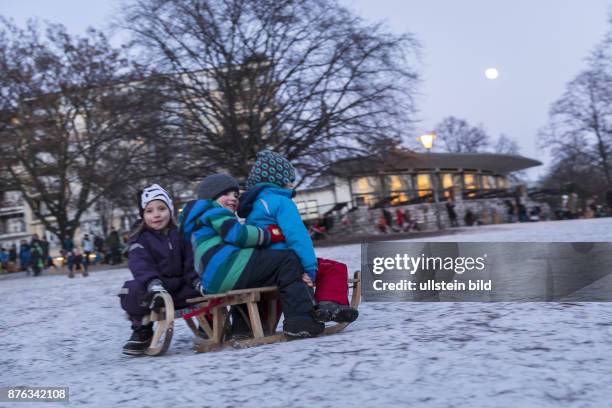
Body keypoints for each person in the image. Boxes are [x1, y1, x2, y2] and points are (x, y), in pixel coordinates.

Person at [182, 173, 325, 338]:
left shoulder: (199, 219)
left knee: (250, 276)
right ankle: (300, 321)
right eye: (226, 194)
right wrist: (270, 234)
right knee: (287, 259)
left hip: (215, 279)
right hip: (227, 267)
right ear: (210, 196)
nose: (233, 198)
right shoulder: (213, 211)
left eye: (236, 195)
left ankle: (244, 328)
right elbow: (238, 235)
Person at [238, 150, 358, 324]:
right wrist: (309, 269)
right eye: (289, 180)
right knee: (335, 268)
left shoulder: (255, 206)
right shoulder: (281, 202)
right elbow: (298, 237)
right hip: (289, 263)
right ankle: (329, 305)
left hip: (265, 266)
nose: (292, 185)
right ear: (276, 180)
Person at [118, 184, 202, 355]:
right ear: (143, 215)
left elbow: (190, 261)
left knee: (207, 288)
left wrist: (195, 280)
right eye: (149, 211)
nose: (156, 214)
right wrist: (152, 283)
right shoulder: (140, 239)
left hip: (180, 290)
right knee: (131, 289)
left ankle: (208, 326)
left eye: (161, 208)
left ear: (170, 210)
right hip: (155, 293)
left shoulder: (180, 235)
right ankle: (142, 329)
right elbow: (140, 264)